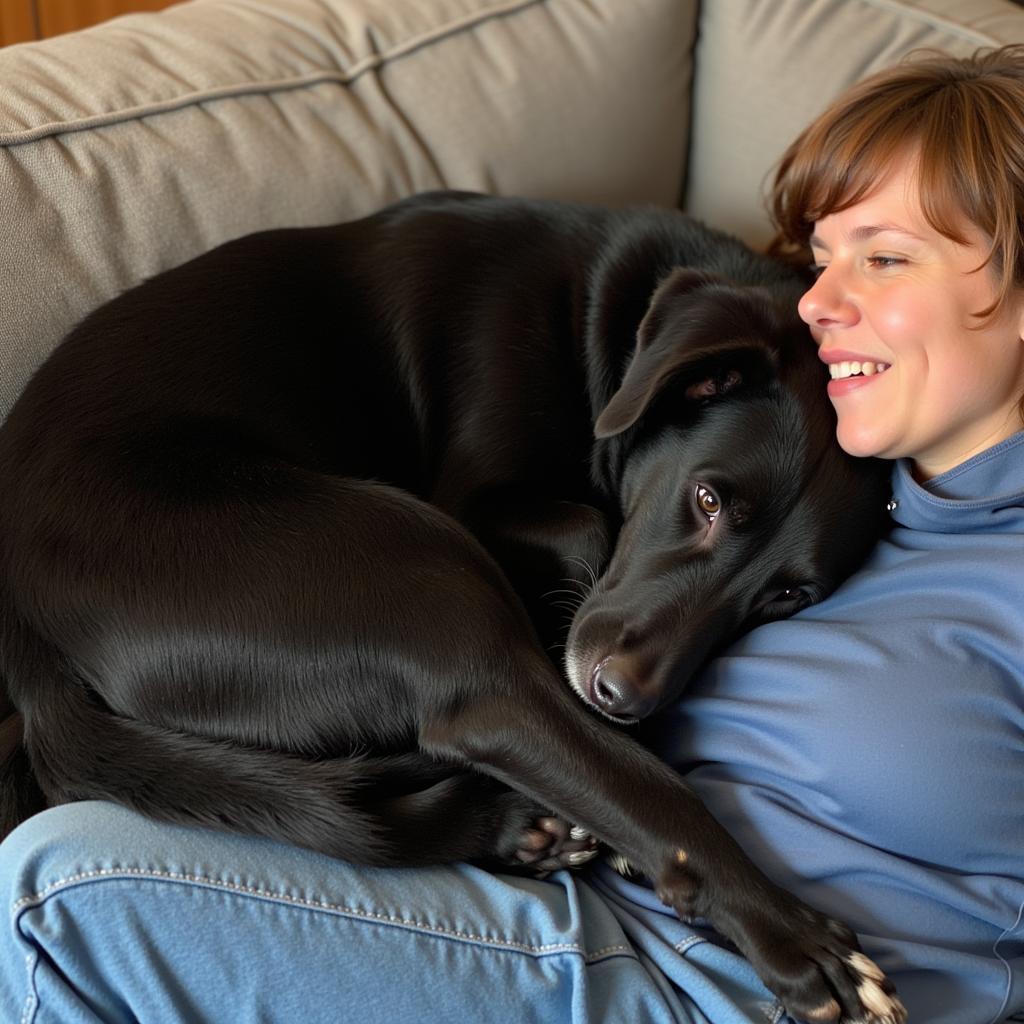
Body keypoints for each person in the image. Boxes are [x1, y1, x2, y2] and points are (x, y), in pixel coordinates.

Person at [2, 44, 1022, 1024]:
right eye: (822, 253)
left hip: (712, 980)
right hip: (562, 891)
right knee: (46, 840)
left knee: (54, 890)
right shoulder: (838, 446)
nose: (822, 303)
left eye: (884, 259)